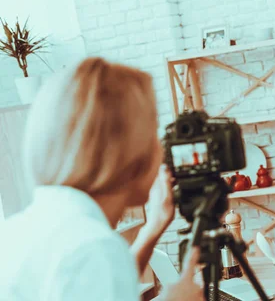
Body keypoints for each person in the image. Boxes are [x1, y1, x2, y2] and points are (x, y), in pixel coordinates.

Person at [0, 58, 204, 300]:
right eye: (153, 133)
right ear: (128, 151)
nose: (161, 151)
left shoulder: (21, 231)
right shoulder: (92, 249)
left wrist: (154, 226)